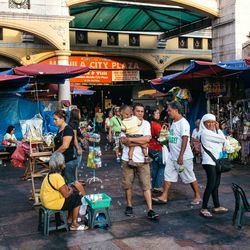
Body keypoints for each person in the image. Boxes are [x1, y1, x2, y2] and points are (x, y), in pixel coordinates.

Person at [153, 101, 201, 205]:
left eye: (169, 110)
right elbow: (174, 137)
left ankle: (197, 195)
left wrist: (181, 156)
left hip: (183, 157)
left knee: (189, 176)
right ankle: (164, 196)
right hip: (172, 156)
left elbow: (185, 139)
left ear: (176, 110)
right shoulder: (174, 122)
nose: (168, 112)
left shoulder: (183, 123)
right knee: (167, 176)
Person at [120, 103, 159, 220]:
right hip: (127, 159)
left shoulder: (146, 124)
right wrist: (140, 141)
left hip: (143, 160)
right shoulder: (126, 122)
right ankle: (129, 205)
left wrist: (131, 139)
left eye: (142, 111)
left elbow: (147, 139)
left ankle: (150, 209)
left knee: (146, 185)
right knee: (128, 185)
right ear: (133, 111)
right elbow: (123, 141)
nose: (140, 113)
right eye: (138, 111)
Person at [40, 152, 88, 231]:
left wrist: (69, 190)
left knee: (74, 196)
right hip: (51, 203)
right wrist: (71, 190)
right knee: (77, 196)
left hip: (46, 201)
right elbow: (66, 195)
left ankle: (70, 219)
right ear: (60, 163)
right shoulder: (57, 177)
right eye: (63, 161)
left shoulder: (50, 174)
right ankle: (74, 224)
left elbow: (63, 188)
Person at [199, 114, 228, 218]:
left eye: (213, 122)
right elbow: (222, 139)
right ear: (204, 123)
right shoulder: (205, 133)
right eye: (209, 122)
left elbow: (220, 143)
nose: (211, 124)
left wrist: (217, 129)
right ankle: (204, 208)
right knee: (211, 185)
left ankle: (217, 206)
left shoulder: (212, 132)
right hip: (209, 163)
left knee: (216, 185)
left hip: (216, 162)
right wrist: (219, 128)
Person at [53, 110, 77, 185]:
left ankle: (84, 196)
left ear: (62, 119)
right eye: (53, 119)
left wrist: (55, 154)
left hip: (68, 160)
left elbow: (65, 146)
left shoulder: (68, 129)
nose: (54, 121)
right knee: (66, 181)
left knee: (72, 182)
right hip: (62, 160)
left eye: (55, 119)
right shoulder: (60, 129)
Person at [148, 109, 165, 193]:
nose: (158, 115)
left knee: (155, 166)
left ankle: (153, 185)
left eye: (158, 113)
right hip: (156, 148)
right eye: (156, 113)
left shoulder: (149, 124)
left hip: (150, 148)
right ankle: (158, 186)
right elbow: (161, 137)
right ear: (152, 115)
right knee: (162, 165)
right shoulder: (157, 125)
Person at [68, 108, 84, 180]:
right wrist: (78, 148)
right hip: (75, 146)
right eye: (79, 113)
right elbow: (74, 137)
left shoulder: (73, 123)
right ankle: (74, 181)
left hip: (75, 145)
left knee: (76, 164)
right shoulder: (73, 124)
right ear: (76, 115)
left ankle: (76, 179)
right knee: (76, 164)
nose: (80, 115)